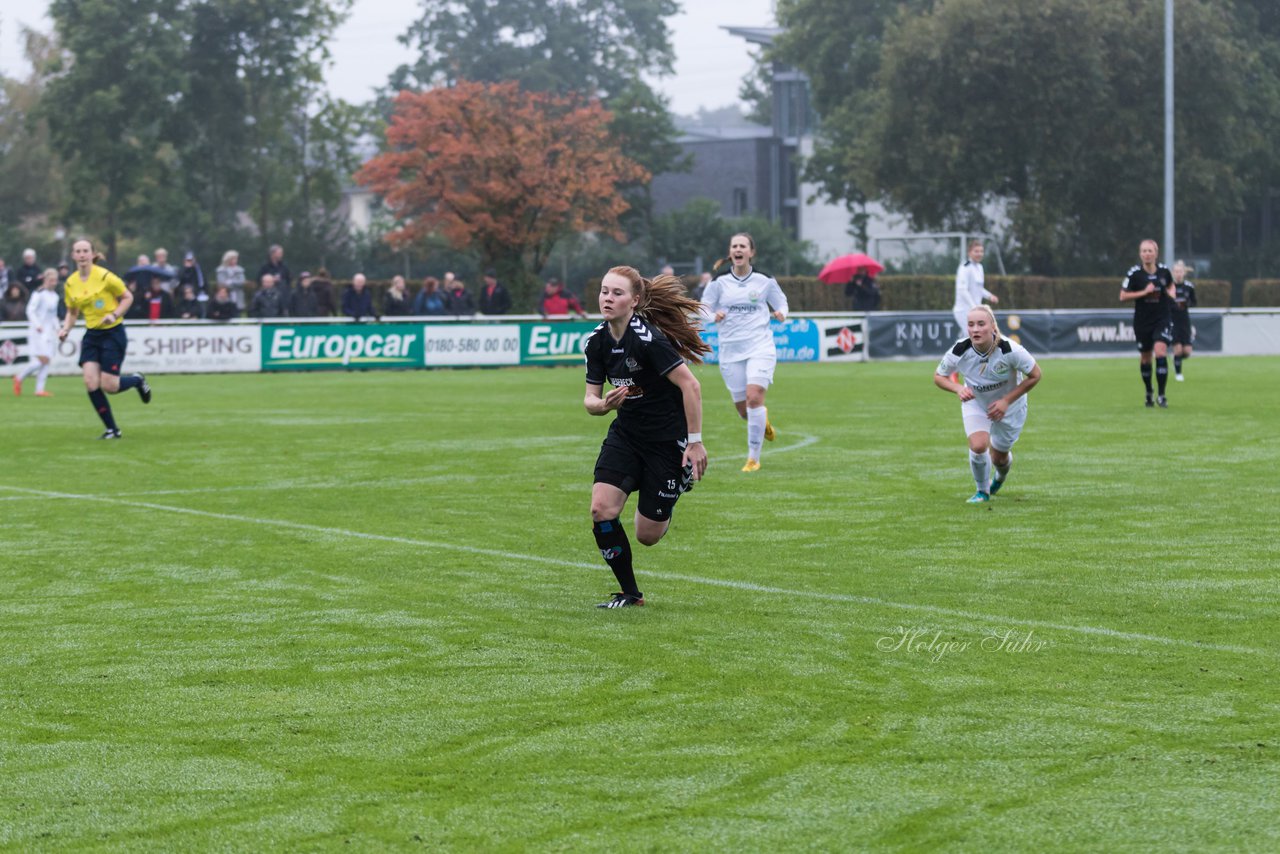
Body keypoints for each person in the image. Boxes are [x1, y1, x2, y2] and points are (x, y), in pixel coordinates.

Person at [583, 266, 710, 608]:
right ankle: (630, 594)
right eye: (604, 291)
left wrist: (694, 441)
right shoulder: (596, 342)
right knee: (601, 509)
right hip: (626, 434)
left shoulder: (649, 340)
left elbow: (691, 385)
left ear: (635, 300)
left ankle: (678, 479)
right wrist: (603, 406)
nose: (608, 298)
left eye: (617, 293)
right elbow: (590, 401)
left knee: (647, 535)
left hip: (666, 441)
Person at [933, 305, 1042, 503]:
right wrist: (958, 389)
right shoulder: (960, 349)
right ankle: (982, 492)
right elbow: (939, 376)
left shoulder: (1010, 349)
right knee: (978, 445)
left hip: (1011, 408)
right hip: (976, 403)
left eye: (981, 324)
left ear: (992, 326)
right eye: (971, 325)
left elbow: (1036, 375)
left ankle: (999, 477)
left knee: (999, 458)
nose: (975, 329)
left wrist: (1006, 401)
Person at [701, 232, 789, 472]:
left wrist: (782, 313)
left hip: (760, 346)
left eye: (743, 246)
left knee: (754, 397)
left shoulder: (764, 279)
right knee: (744, 410)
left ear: (751, 252)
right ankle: (763, 422)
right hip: (730, 351)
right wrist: (712, 315)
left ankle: (753, 458)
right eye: (734, 246)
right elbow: (703, 308)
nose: (738, 250)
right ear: (730, 253)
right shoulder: (719, 281)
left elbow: (781, 302)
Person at [58, 238, 151, 439]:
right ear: (73, 256)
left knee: (110, 386)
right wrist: (65, 328)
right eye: (78, 251)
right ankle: (112, 429)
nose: (82, 255)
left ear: (92, 254)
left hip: (113, 332)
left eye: (85, 251)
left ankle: (137, 380)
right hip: (92, 335)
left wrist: (114, 314)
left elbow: (128, 297)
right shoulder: (71, 283)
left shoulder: (105, 277)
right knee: (91, 382)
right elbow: (72, 312)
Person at [1120, 238, 1176, 408]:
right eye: (1144, 251)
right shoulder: (1134, 274)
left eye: (1150, 251)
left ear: (1156, 253)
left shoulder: (1164, 271)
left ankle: (1162, 394)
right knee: (1145, 358)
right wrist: (1144, 292)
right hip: (1143, 322)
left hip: (1162, 319)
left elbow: (1172, 286)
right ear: (1140, 254)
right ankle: (1149, 391)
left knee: (1160, 351)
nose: (1147, 254)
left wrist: (1171, 293)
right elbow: (1123, 296)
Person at [13, 269, 61, 396]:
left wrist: (58, 329)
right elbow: (30, 310)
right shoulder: (39, 293)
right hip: (38, 332)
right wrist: (38, 325)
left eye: (55, 280)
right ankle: (19, 377)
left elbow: (53, 316)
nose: (53, 283)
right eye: (51, 280)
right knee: (42, 360)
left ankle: (39, 390)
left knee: (47, 360)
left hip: (49, 333)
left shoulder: (55, 296)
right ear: (45, 280)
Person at [953, 240, 998, 335]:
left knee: (973, 338)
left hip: (975, 311)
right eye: (976, 251)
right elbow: (962, 290)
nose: (979, 254)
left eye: (981, 251)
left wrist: (990, 296)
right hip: (963, 310)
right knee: (973, 336)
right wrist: (973, 306)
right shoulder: (964, 268)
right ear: (969, 253)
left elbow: (979, 288)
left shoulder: (980, 267)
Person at [1170, 259, 1197, 382]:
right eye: (1176, 271)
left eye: (1180, 271)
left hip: (1185, 321)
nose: (1178, 274)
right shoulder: (1169, 287)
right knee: (1178, 349)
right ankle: (1178, 374)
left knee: (1186, 352)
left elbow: (1194, 302)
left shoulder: (1189, 287)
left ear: (1184, 273)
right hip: (1172, 321)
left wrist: (1187, 303)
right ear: (1173, 273)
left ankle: (1176, 358)